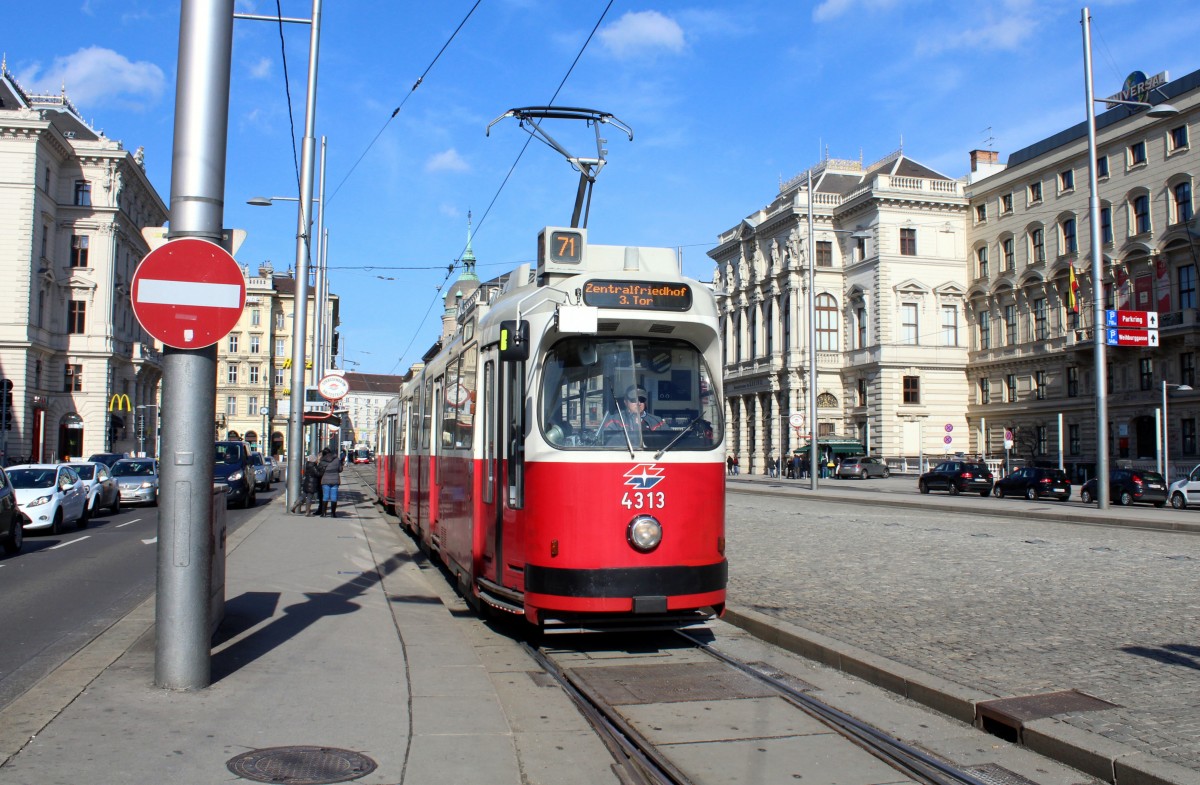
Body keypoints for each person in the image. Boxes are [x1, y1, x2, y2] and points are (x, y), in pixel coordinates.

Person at [316, 446, 343, 517]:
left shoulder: (322, 461)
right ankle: (333, 513)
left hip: (325, 480)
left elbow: (319, 470)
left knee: (325, 496)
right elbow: (340, 469)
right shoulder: (337, 459)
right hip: (335, 480)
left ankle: (323, 513)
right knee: (334, 496)